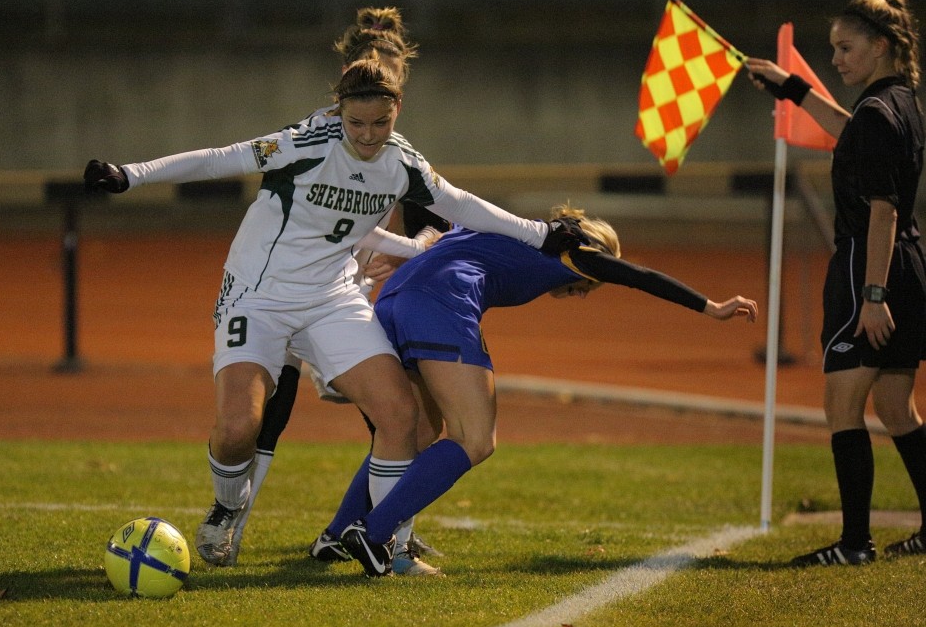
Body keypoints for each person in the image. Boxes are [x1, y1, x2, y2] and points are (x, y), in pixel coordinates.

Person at [84, 57, 584, 569]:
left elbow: (459, 204)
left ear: (397, 109)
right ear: (339, 110)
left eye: (380, 123)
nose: (367, 136)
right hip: (257, 295)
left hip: (331, 299)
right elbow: (219, 159)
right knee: (238, 429)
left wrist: (539, 234)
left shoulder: (403, 163)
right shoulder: (303, 143)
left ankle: (386, 544)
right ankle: (228, 505)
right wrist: (130, 175)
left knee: (400, 415)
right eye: (356, 123)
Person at [316, 205, 758, 576]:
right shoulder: (573, 250)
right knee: (475, 439)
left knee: (416, 433)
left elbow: (433, 210)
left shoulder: (510, 229)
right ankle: (374, 535)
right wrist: (711, 307)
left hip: (393, 299)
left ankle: (337, 534)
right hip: (441, 304)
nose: (582, 292)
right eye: (588, 286)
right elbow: (639, 275)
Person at [229, 6, 449, 573]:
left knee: (400, 418)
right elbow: (309, 214)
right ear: (350, 75)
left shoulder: (397, 151)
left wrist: (412, 246)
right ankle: (232, 527)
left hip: (346, 302)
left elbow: (431, 224)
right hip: (288, 290)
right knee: (271, 405)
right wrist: (373, 245)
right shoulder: (317, 136)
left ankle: (380, 534)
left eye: (391, 76)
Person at [747, 0, 926, 566]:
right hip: (909, 263)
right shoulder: (901, 102)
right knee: (895, 406)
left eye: (846, 48)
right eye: (833, 49)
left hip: (868, 268)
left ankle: (854, 544)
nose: (836, 59)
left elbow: (883, 210)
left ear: (881, 46)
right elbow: (849, 130)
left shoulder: (877, 112)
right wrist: (791, 88)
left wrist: (872, 295)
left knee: (842, 405)